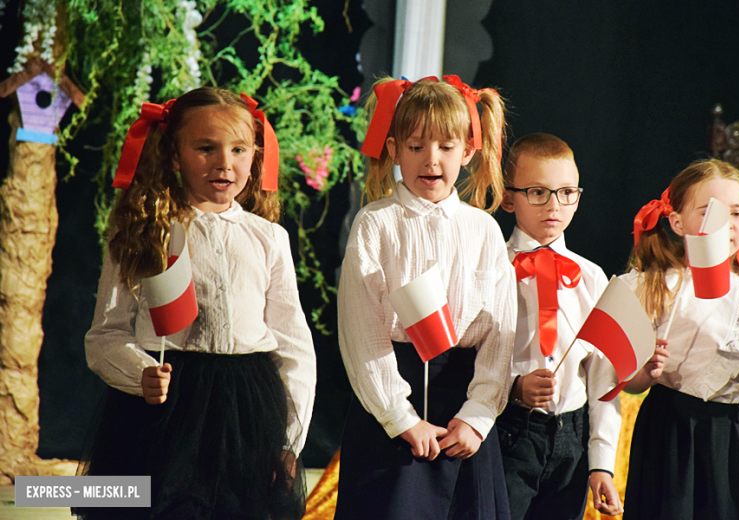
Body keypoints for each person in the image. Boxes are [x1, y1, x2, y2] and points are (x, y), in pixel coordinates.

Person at [77, 87, 316, 520]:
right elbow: (106, 334)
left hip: (246, 410)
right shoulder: (144, 232)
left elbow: (294, 344)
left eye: (239, 149)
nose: (225, 163)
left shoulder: (268, 239)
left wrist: (288, 441)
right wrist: (141, 372)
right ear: (173, 154)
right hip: (165, 408)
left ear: (254, 156)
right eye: (206, 148)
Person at [335, 75, 516, 520]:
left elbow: (501, 334)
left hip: (464, 408)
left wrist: (478, 415)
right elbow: (362, 332)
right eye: (416, 146)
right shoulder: (376, 223)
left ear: (468, 151)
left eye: (445, 147)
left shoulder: (483, 229)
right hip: (393, 404)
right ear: (394, 149)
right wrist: (401, 417)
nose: (430, 160)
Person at [622, 158, 739, 520]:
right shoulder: (654, 286)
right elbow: (629, 382)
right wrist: (646, 371)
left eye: (736, 213)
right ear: (677, 222)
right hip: (676, 435)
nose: (724, 224)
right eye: (710, 212)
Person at [497, 133, 631, 519]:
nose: (554, 205)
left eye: (567, 192)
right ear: (509, 198)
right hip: (510, 431)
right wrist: (514, 387)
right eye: (538, 192)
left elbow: (603, 376)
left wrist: (601, 461)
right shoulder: (491, 268)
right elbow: (472, 356)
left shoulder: (592, 277)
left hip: (572, 438)